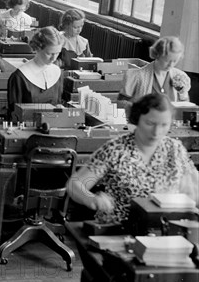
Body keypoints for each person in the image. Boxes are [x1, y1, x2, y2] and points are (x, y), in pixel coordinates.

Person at [67, 93, 198, 224]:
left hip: (164, 228)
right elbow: (75, 185)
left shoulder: (175, 149)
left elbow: (195, 187)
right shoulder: (116, 149)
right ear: (137, 119)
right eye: (150, 123)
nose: (157, 132)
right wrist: (91, 199)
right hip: (118, 228)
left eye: (164, 125)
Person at [7, 26, 64, 120]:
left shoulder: (57, 72)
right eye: (49, 53)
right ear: (37, 48)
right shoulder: (19, 77)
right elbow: (14, 114)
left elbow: (58, 106)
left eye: (57, 53)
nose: (54, 58)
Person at [119, 36, 191, 103]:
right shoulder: (136, 76)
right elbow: (121, 104)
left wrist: (183, 93)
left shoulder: (180, 76)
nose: (171, 65)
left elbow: (184, 105)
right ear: (157, 55)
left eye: (175, 61)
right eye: (167, 60)